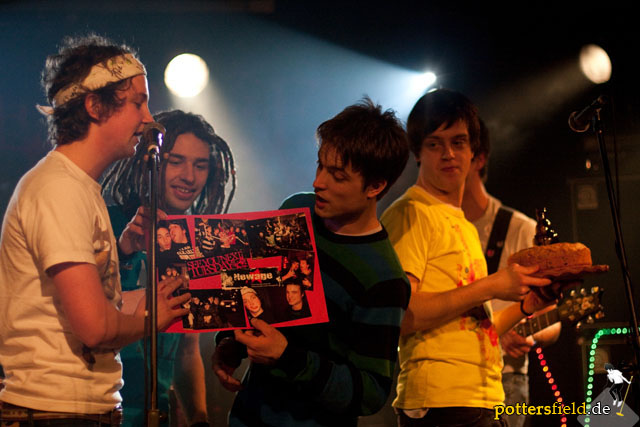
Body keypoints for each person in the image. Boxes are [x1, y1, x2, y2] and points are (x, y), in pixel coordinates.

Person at [0, 34, 189, 425]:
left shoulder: (80, 188)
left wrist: (178, 295)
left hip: (73, 411)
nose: (148, 118)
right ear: (95, 106)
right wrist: (153, 318)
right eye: (137, 102)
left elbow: (106, 308)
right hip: (54, 412)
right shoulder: (58, 188)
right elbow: (96, 328)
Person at [212, 97, 411, 426]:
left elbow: (371, 392)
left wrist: (288, 358)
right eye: (320, 166)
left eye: (338, 176)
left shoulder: (384, 277)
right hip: (248, 416)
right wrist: (230, 343)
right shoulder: (296, 211)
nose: (319, 182)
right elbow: (253, 294)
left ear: (376, 186)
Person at [380, 88, 556, 426]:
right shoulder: (411, 213)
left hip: (481, 399)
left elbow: (476, 326)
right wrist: (492, 285)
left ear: (474, 152)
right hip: (442, 402)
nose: (448, 153)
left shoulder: (462, 224)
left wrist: (527, 306)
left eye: (458, 142)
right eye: (435, 144)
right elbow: (403, 316)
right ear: (417, 152)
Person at [102, 109, 236, 426]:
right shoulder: (106, 221)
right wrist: (123, 250)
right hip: (102, 412)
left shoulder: (193, 243)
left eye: (200, 165)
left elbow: (187, 349)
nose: (189, 176)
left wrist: (199, 418)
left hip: (157, 415)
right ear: (149, 162)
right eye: (176, 161)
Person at [462, 119, 561, 427]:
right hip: (444, 379)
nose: (445, 159)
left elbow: (553, 319)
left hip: (505, 380)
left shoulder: (520, 229)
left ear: (479, 158)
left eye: (458, 146)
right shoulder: (433, 226)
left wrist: (529, 333)